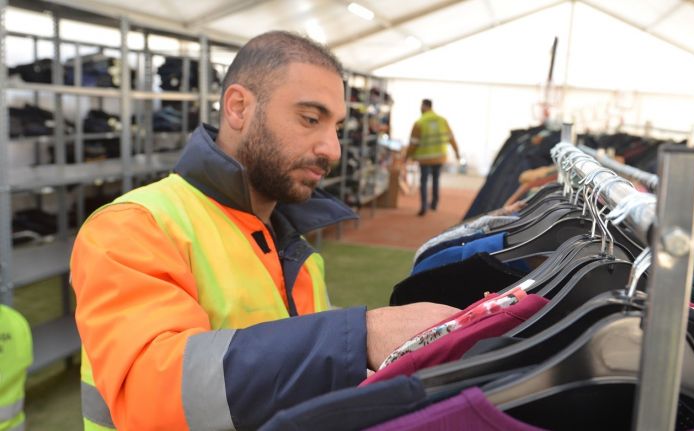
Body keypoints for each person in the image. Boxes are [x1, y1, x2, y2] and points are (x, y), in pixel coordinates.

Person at [70, 31, 458, 431]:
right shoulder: (132, 226)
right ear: (238, 107)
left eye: (337, 127)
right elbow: (149, 393)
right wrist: (356, 337)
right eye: (311, 119)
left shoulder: (294, 247)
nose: (333, 149)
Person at [405, 99, 461, 216]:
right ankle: (434, 204)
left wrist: (407, 156)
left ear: (425, 106)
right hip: (439, 157)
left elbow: (413, 143)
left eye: (421, 106)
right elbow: (451, 138)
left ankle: (424, 207)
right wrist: (457, 152)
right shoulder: (442, 120)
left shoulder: (420, 122)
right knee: (436, 180)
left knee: (424, 181)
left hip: (425, 158)